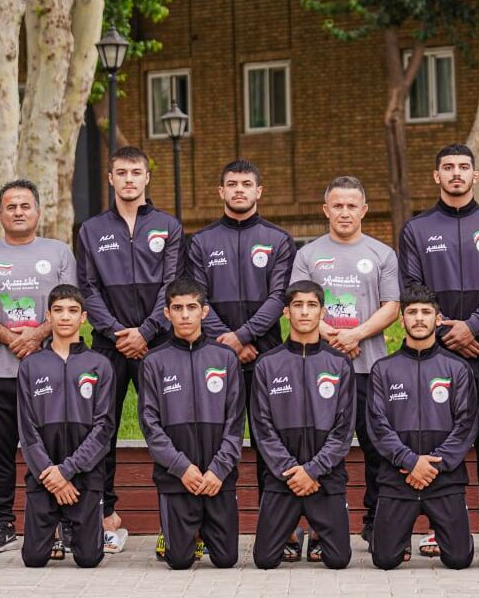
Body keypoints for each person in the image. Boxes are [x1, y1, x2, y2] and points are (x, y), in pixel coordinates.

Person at [398, 143, 479, 553]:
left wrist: (473, 327)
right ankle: (439, 525)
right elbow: (413, 289)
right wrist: (448, 330)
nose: (456, 173)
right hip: (437, 350)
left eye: (464, 167)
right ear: (437, 176)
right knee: (439, 436)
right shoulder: (417, 229)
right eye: (448, 167)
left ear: (475, 175)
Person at [76, 145, 183, 551]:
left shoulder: (168, 226)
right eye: (121, 173)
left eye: (136, 172)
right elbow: (88, 288)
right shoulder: (91, 230)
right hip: (109, 346)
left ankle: (175, 521)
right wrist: (120, 332)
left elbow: (172, 285)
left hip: (159, 345)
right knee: (100, 430)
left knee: (168, 429)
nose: (129, 180)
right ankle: (105, 516)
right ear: (110, 179)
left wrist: (147, 330)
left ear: (146, 178)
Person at [186, 160, 296, 552]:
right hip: (215, 356)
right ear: (220, 191)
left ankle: (279, 529)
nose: (239, 190)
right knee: (212, 437)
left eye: (246, 184)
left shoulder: (279, 239)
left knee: (272, 440)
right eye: (231, 184)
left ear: (258, 191)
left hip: (267, 355)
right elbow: (198, 299)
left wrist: (245, 336)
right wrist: (228, 340)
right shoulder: (201, 241)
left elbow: (279, 297)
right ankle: (202, 527)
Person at [0, 179, 77, 552]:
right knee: (1, 450)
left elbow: (72, 305)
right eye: (10, 206)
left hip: (53, 370)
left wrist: (37, 334)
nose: (18, 212)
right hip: (1, 370)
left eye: (25, 205)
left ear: (38, 211)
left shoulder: (59, 252)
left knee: (56, 446)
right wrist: (13, 339)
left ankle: (63, 524)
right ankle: (3, 524)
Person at [290, 175, 399, 546]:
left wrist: (356, 335)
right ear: (326, 210)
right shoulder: (307, 255)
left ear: (364, 210)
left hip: (369, 369)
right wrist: (334, 337)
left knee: (376, 448)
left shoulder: (382, 254)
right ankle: (322, 526)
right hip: (319, 369)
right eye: (337, 205)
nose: (345, 212)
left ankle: (376, 522)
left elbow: (392, 307)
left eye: (352, 205)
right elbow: (298, 304)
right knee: (321, 447)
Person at [138, 278, 245, 570]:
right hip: (176, 478)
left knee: (226, 559)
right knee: (179, 561)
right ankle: (181, 534)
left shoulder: (225, 357)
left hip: (217, 479)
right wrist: (181, 468)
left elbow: (236, 422)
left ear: (204, 311)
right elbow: (149, 424)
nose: (185, 315)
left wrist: (218, 469)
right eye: (177, 308)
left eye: (191, 307)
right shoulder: (154, 361)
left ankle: (202, 530)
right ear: (167, 313)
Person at [368, 284, 475, 570]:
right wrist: (410, 461)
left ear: (438, 319)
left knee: (458, 560)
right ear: (402, 320)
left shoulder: (457, 368)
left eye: (426, 312)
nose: (418, 318)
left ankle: (456, 532)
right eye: (412, 312)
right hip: (398, 478)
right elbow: (378, 424)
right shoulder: (383, 369)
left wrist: (433, 465)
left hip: (444, 479)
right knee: (385, 560)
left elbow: (466, 425)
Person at [251, 281, 354, 569]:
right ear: (286, 312)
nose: (305, 312)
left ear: (322, 312)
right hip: (283, 478)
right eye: (298, 305)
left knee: (338, 560)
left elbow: (344, 430)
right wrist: (292, 471)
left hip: (325, 477)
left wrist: (312, 470)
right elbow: (262, 427)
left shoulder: (339, 363)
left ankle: (320, 532)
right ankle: (291, 531)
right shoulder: (267, 363)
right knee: (265, 560)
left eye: (312, 305)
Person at [17, 284, 115, 568]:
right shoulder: (31, 366)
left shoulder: (99, 365)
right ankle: (54, 530)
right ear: (48, 315)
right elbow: (27, 429)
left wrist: (67, 471)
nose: (65, 317)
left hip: (85, 475)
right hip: (44, 475)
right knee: (34, 559)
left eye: (72, 311)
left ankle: (79, 530)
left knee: (89, 559)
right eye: (58, 310)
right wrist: (52, 474)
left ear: (83, 317)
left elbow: (104, 428)